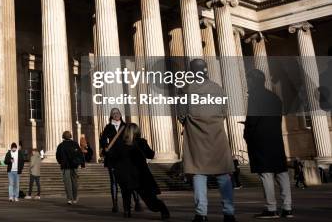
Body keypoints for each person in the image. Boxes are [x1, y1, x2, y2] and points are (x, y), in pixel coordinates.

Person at [179, 59, 236, 222]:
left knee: (198, 174)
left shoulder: (185, 89)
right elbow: (224, 111)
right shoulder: (218, 89)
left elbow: (181, 114)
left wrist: (190, 122)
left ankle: (201, 213)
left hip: (195, 136)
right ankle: (229, 213)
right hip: (216, 134)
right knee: (223, 175)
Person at [244, 69, 293, 218]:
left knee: (266, 173)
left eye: (249, 79)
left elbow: (252, 120)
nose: (248, 82)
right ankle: (287, 207)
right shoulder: (275, 97)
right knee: (281, 172)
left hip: (261, 139)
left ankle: (271, 208)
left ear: (254, 80)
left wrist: (247, 133)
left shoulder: (254, 96)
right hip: (275, 138)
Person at [107, 123, 170, 219]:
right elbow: (151, 155)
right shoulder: (141, 143)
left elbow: (111, 158)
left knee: (126, 194)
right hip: (140, 175)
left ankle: (127, 212)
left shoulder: (119, 143)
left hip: (128, 175)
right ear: (137, 132)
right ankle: (163, 210)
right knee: (150, 200)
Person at [99, 108, 126, 213]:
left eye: (118, 113)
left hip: (124, 157)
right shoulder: (108, 127)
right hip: (112, 158)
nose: (116, 115)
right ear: (111, 115)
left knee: (126, 181)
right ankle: (115, 204)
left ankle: (131, 202)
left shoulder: (125, 126)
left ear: (120, 114)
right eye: (114, 113)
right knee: (114, 181)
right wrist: (105, 147)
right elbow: (102, 140)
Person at [56, 130, 85, 205]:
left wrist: (61, 162)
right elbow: (80, 154)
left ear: (63, 137)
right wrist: (82, 164)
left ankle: (69, 199)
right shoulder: (75, 144)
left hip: (65, 167)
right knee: (74, 182)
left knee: (67, 183)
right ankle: (75, 198)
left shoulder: (61, 145)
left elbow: (57, 156)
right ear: (70, 136)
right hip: (74, 166)